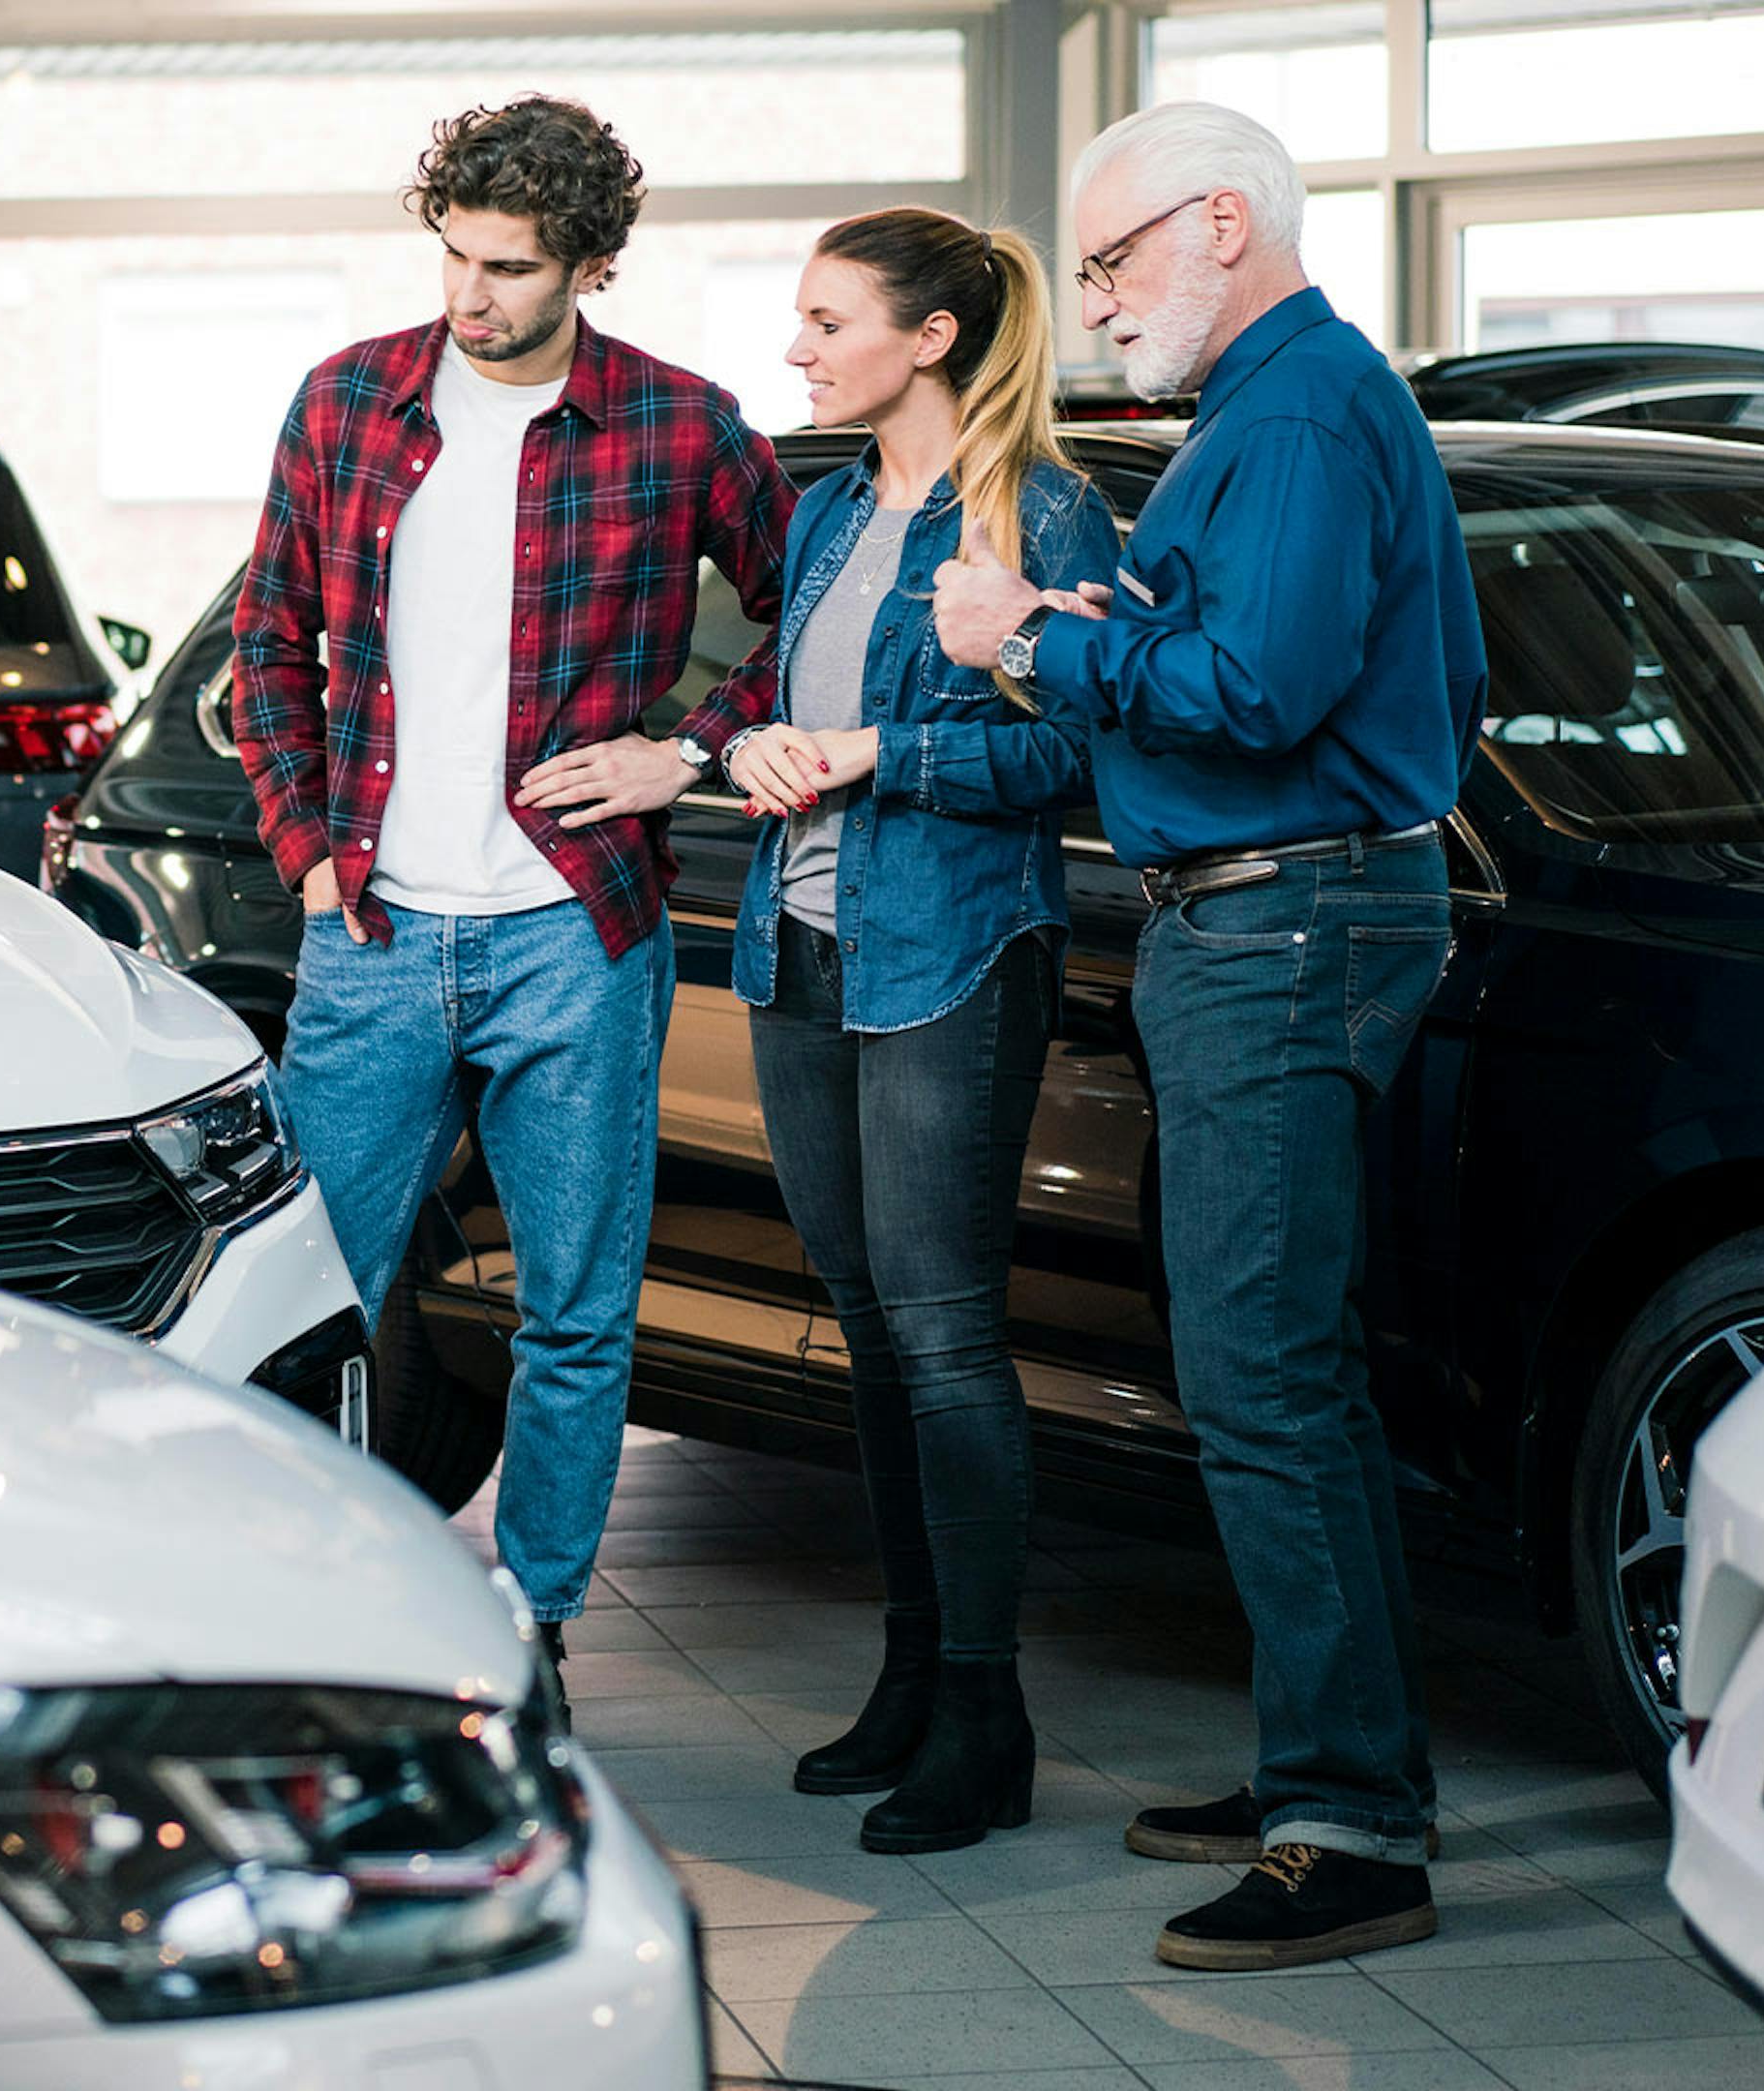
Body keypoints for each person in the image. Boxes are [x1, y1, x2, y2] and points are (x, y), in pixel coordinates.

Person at [931, 102, 1486, 1969]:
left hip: (1285, 916)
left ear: (1223, 222)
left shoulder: (1307, 410)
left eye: (1109, 261)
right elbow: (1289, 656)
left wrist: (1028, 633)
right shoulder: (1269, 416)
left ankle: (1354, 1826)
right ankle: (1320, 1763)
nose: (1093, 309)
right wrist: (1114, 621)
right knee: (1265, 1363)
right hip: (1260, 917)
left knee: (1265, 1376)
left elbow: (1260, 689)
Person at [230, 95, 789, 1708]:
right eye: (457, 258)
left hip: (576, 933)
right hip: (380, 935)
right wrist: (314, 856)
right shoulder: (347, 404)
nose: (472, 297)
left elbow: (805, 622)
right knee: (301, 1293)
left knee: (575, 1314)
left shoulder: (683, 427)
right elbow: (272, 644)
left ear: (590, 266)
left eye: (512, 268)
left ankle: (535, 1625)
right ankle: (291, 1615)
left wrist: (680, 754)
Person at [712, 208, 1117, 1856]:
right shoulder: (820, 517)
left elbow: (1082, 756)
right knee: (869, 1329)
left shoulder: (1045, 510)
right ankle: (904, 1677)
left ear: (930, 336)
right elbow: (777, 703)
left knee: (947, 1341)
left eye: (825, 320)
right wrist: (741, 747)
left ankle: (984, 1710)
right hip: (797, 951)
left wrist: (887, 753)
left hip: (950, 955)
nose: (798, 349)